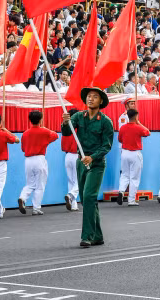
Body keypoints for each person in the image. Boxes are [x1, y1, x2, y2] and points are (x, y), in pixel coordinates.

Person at [62, 87, 114, 247]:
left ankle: (87, 236)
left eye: (95, 97)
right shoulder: (78, 116)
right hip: (81, 162)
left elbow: (107, 146)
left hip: (96, 163)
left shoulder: (105, 122)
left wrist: (92, 157)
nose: (91, 99)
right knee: (86, 200)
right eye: (89, 96)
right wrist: (65, 122)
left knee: (90, 197)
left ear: (101, 101)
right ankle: (98, 235)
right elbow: (66, 133)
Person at [18, 111, 58, 216]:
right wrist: (45, 129)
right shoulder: (44, 132)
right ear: (40, 120)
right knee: (40, 184)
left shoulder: (25, 133)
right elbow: (55, 136)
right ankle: (36, 208)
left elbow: (23, 149)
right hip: (40, 158)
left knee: (30, 183)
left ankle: (23, 197)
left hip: (28, 160)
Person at [117, 109, 151, 206]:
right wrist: (139, 123)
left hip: (124, 153)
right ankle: (131, 200)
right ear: (136, 117)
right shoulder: (138, 128)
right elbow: (148, 132)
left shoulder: (123, 128)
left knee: (125, 175)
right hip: (135, 153)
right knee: (134, 177)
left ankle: (121, 191)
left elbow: (119, 139)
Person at [61, 108, 80, 212]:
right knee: (79, 180)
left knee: (71, 180)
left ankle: (73, 204)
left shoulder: (65, 128)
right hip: (77, 155)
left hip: (67, 155)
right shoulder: (79, 128)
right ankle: (71, 195)